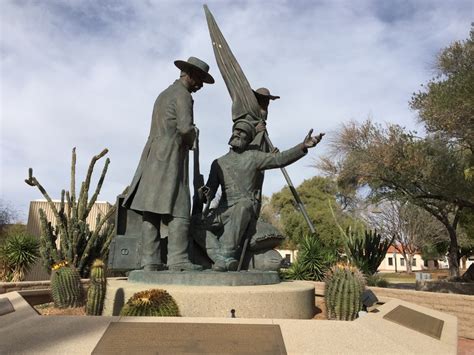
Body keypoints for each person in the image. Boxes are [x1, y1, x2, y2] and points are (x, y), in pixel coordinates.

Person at [123, 57, 214, 271]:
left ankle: (149, 260)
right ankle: (178, 259)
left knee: (151, 210)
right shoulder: (183, 95)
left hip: (152, 156)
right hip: (171, 157)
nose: (200, 85)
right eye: (199, 79)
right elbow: (184, 128)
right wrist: (193, 135)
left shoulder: (163, 94)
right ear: (189, 74)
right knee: (181, 206)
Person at [198, 119, 324, 271]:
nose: (238, 133)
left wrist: (302, 146)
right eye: (236, 130)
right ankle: (220, 258)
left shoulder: (254, 156)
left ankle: (226, 254)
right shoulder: (218, 162)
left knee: (243, 206)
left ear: (248, 138)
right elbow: (210, 190)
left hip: (243, 206)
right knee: (193, 223)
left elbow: (279, 159)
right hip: (223, 210)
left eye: (243, 132)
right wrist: (204, 192)